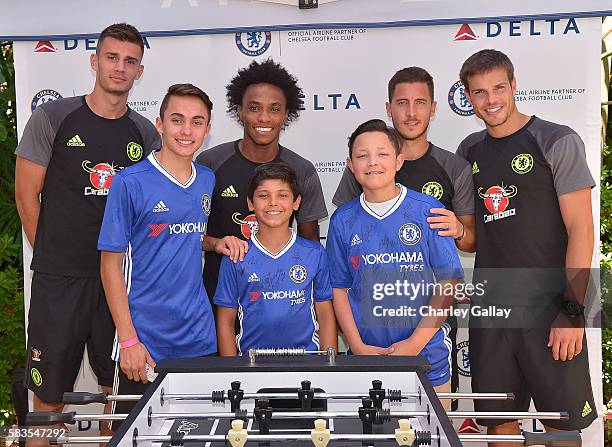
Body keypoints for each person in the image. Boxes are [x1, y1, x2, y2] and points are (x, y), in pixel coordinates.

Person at [14, 23, 160, 439]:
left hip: (119, 280)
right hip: (60, 279)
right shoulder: (53, 117)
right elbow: (26, 196)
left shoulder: (145, 134)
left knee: (117, 391)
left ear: (140, 71)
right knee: (49, 395)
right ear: (94, 61)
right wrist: (52, 255)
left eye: (130, 61)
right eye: (112, 58)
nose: (120, 68)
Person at [456, 49, 596, 442]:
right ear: (468, 98)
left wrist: (572, 310)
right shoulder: (469, 151)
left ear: (514, 86)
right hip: (494, 311)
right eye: (479, 92)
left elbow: (581, 230)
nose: (491, 100)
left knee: (561, 426)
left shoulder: (556, 139)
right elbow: (473, 236)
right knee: (500, 424)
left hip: (550, 309)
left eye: (499, 88)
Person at [98, 84, 246, 417]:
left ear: (207, 130)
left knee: (200, 433)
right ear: (160, 124)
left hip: (199, 337)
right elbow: (110, 265)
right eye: (177, 120)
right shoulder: (130, 181)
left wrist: (214, 242)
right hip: (145, 341)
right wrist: (128, 340)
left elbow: (185, 235)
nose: (186, 130)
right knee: (131, 433)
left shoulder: (206, 179)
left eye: (197, 122)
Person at [332, 68, 475, 405]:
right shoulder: (343, 219)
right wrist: (357, 346)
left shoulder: (428, 209)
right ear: (350, 165)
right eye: (363, 156)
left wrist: (414, 344)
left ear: (398, 161)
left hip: (427, 359)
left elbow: (448, 283)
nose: (373, 163)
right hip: (365, 359)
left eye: (382, 155)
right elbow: (338, 287)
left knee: (429, 437)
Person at [196, 59, 327, 302]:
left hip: (282, 301)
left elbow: (310, 244)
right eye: (254, 108)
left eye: (274, 109)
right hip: (218, 300)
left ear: (287, 114)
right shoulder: (210, 163)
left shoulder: (302, 170)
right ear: (239, 111)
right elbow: (188, 236)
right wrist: (218, 244)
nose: (264, 118)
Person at [332, 67, 475, 252]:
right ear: (389, 109)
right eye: (402, 103)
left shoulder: (454, 167)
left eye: (420, 102)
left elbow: (470, 244)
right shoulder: (367, 166)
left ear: (433, 108)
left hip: (429, 279)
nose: (411, 113)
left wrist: (459, 230)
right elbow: (345, 228)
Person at [214, 163, 337, 356]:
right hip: (252, 364)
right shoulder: (236, 256)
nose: (273, 203)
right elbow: (225, 321)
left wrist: (329, 365)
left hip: (306, 362)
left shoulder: (314, 253)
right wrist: (232, 372)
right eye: (263, 196)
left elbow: (325, 315)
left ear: (296, 202)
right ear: (250, 203)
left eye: (282, 195)